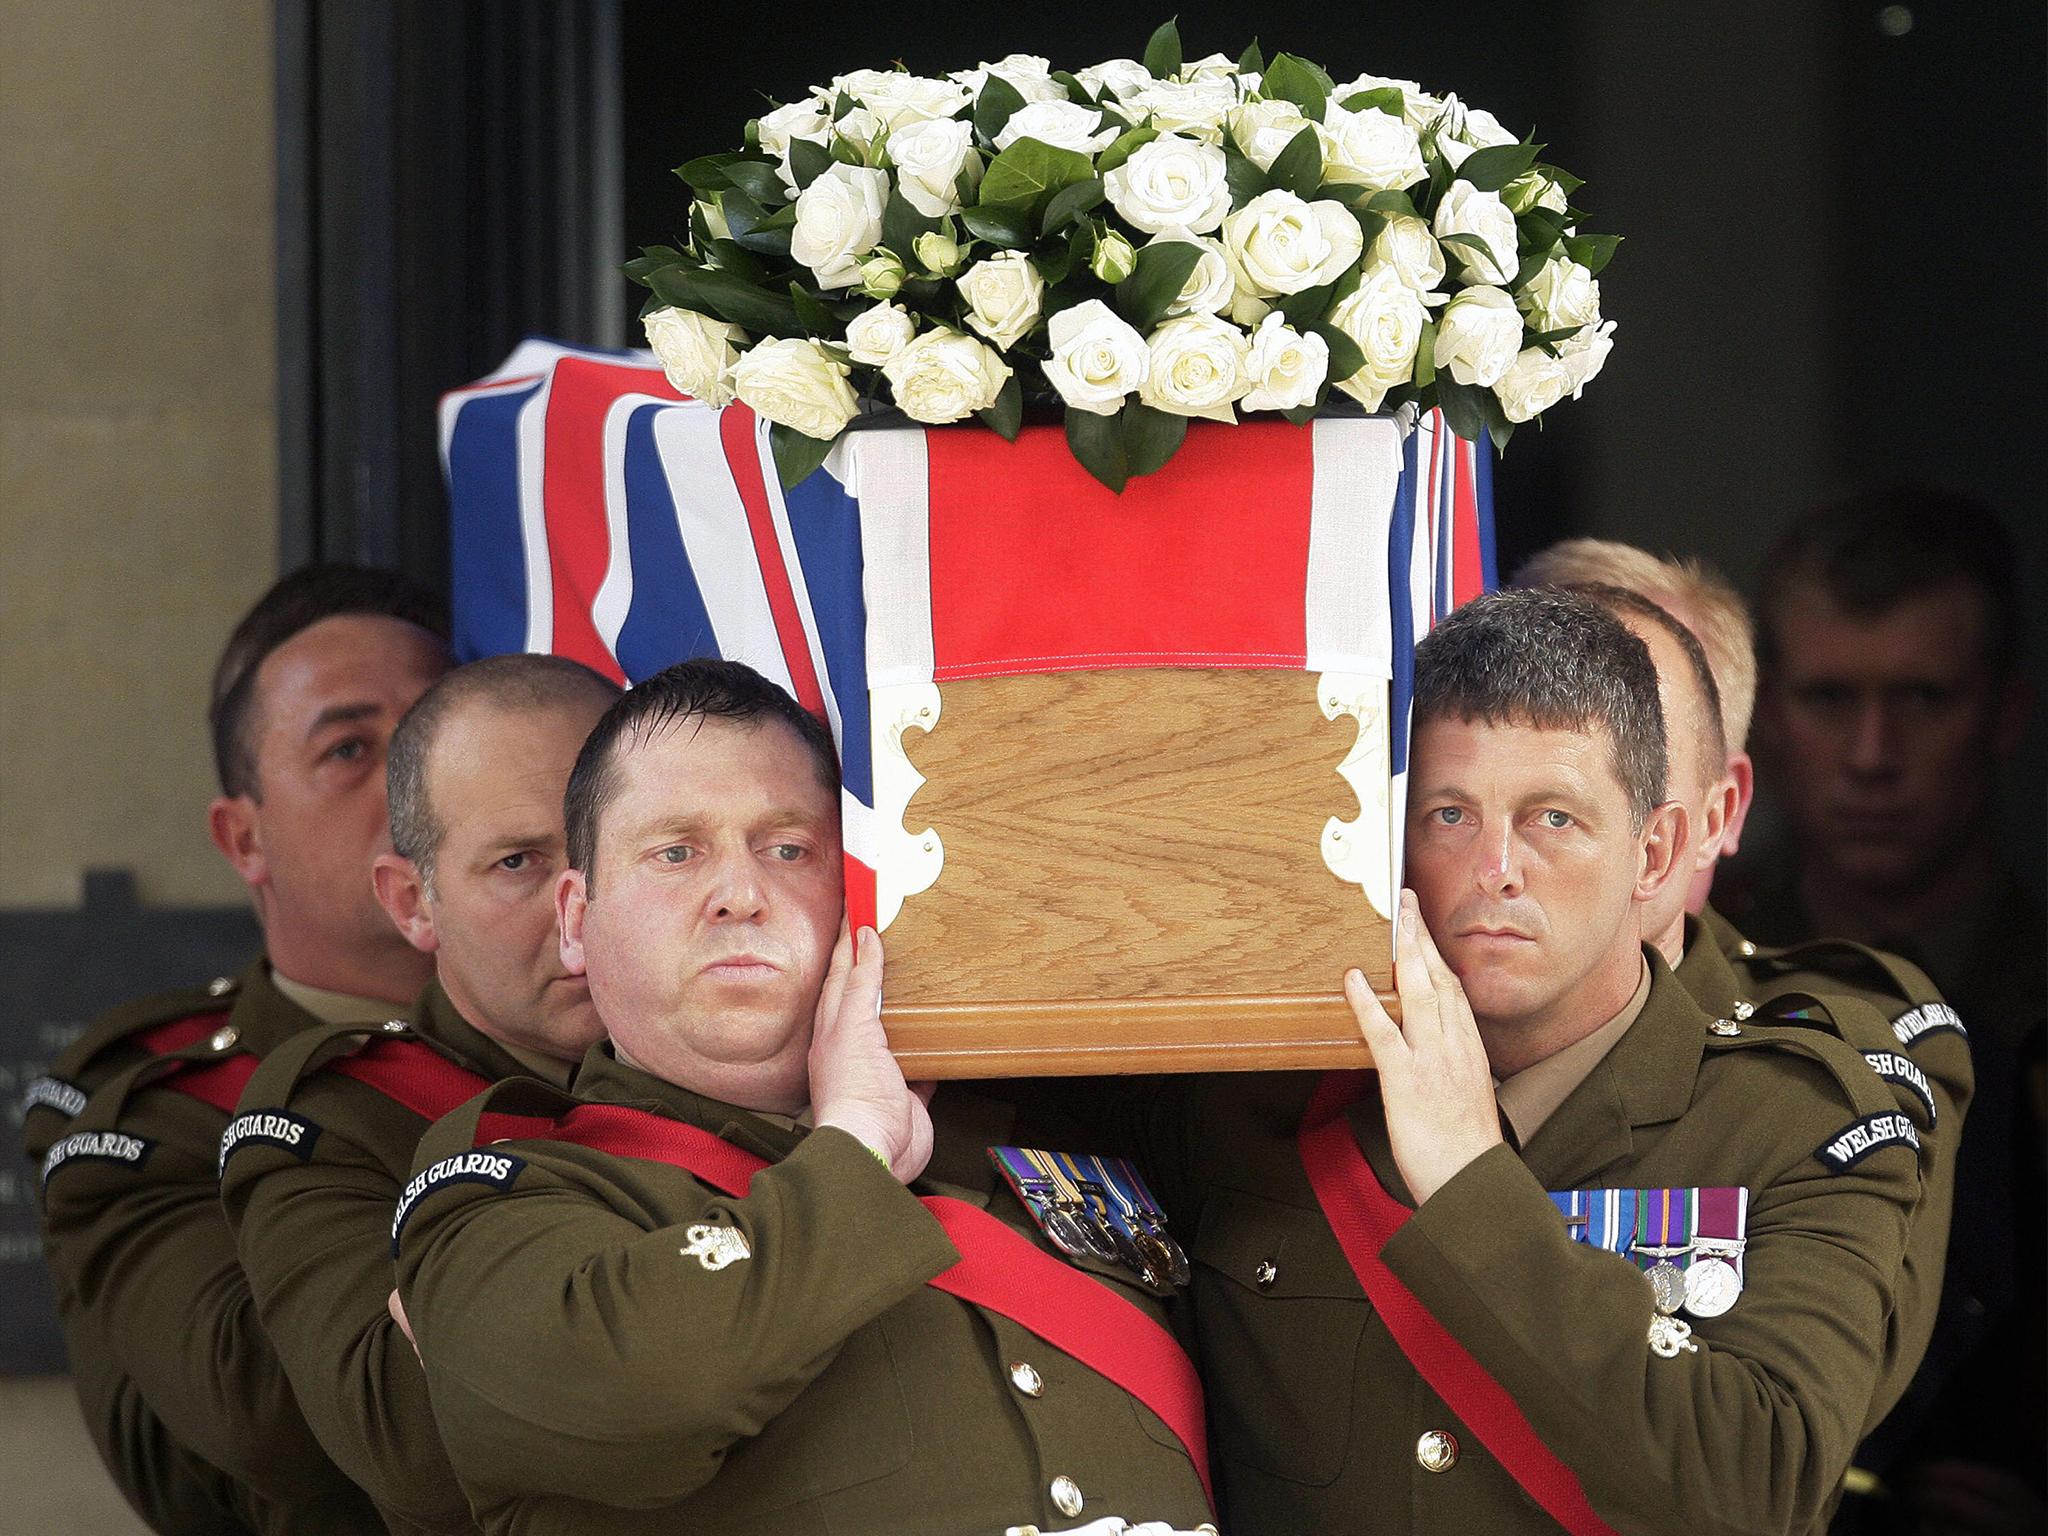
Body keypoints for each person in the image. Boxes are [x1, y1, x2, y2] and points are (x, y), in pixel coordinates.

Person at [1152, 589, 1922, 1535]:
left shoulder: (1799, 1124)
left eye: (1552, 817)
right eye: (1447, 815)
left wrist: (1474, 1181)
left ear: (1657, 852)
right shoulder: (1251, 1102)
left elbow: (1761, 1484)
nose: (1496, 868)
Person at [389, 659, 1216, 1535]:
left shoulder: (1054, 1122)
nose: (741, 895)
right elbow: (624, 1397)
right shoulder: (497, 1193)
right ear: (574, 917)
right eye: (676, 852)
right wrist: (855, 1142)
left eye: (789, 849)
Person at [21, 564, 452, 1535]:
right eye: (350, 748)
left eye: (434, 734)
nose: (413, 778)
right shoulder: (160, 1111)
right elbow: (281, 1429)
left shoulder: (605, 1032)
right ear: (243, 838)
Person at [219, 655, 619, 1536]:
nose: (579, 909)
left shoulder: (782, 1058)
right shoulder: (337, 1117)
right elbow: (418, 1455)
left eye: (611, 847)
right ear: (413, 902)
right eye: (518, 862)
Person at [1726, 487, 2044, 1534]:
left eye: (1919, 698)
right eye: (1827, 698)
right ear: (1765, 716)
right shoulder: (1677, 977)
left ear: (2003, 712)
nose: (1869, 754)